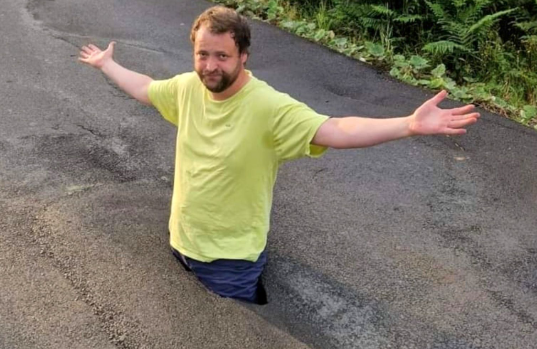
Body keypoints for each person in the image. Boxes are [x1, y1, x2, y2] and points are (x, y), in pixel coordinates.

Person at [78, 6, 479, 305]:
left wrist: (407, 124)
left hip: (230, 262)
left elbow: (335, 129)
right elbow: (146, 88)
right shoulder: (187, 88)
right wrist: (107, 64)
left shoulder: (268, 106)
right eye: (203, 54)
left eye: (222, 56)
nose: (210, 66)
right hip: (181, 240)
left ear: (243, 56)